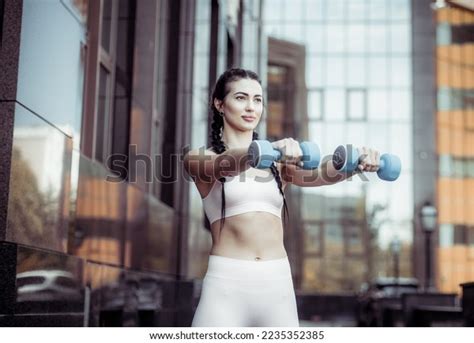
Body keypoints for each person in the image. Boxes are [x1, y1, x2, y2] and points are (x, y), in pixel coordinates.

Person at [183, 68, 380, 327]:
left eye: (258, 99)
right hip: (227, 285)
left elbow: (320, 174)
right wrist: (267, 149)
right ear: (219, 104)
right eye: (241, 98)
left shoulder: (276, 165)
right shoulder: (199, 158)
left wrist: (353, 165)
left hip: (277, 285)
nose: (251, 107)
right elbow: (224, 164)